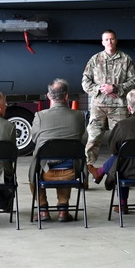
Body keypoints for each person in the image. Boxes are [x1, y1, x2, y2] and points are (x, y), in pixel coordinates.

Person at [27, 78, 86, 223]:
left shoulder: (40, 116)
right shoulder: (78, 116)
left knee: (34, 169)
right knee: (67, 157)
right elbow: (80, 138)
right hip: (70, 172)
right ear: (67, 96)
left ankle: (43, 210)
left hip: (45, 173)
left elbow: (35, 139)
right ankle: (63, 210)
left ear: (48, 96)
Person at [82, 29, 135, 177]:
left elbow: (133, 81)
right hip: (98, 106)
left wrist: (115, 88)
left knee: (120, 141)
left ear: (116, 40)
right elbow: (85, 81)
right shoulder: (95, 60)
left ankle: (120, 172)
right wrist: (100, 89)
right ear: (102, 42)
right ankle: (87, 171)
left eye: (112, 39)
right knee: (93, 139)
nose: (109, 42)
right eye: (106, 40)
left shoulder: (126, 59)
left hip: (119, 107)